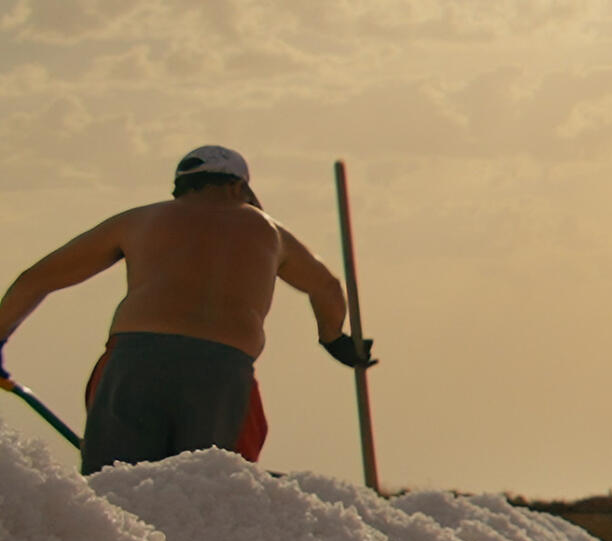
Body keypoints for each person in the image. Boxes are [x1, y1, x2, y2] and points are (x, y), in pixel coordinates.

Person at [0, 146, 370, 473]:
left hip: (135, 362)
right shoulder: (270, 231)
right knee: (207, 497)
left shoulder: (140, 220)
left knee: (113, 488)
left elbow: (35, 279)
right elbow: (326, 287)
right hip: (223, 372)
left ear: (180, 187)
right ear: (238, 186)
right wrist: (334, 340)